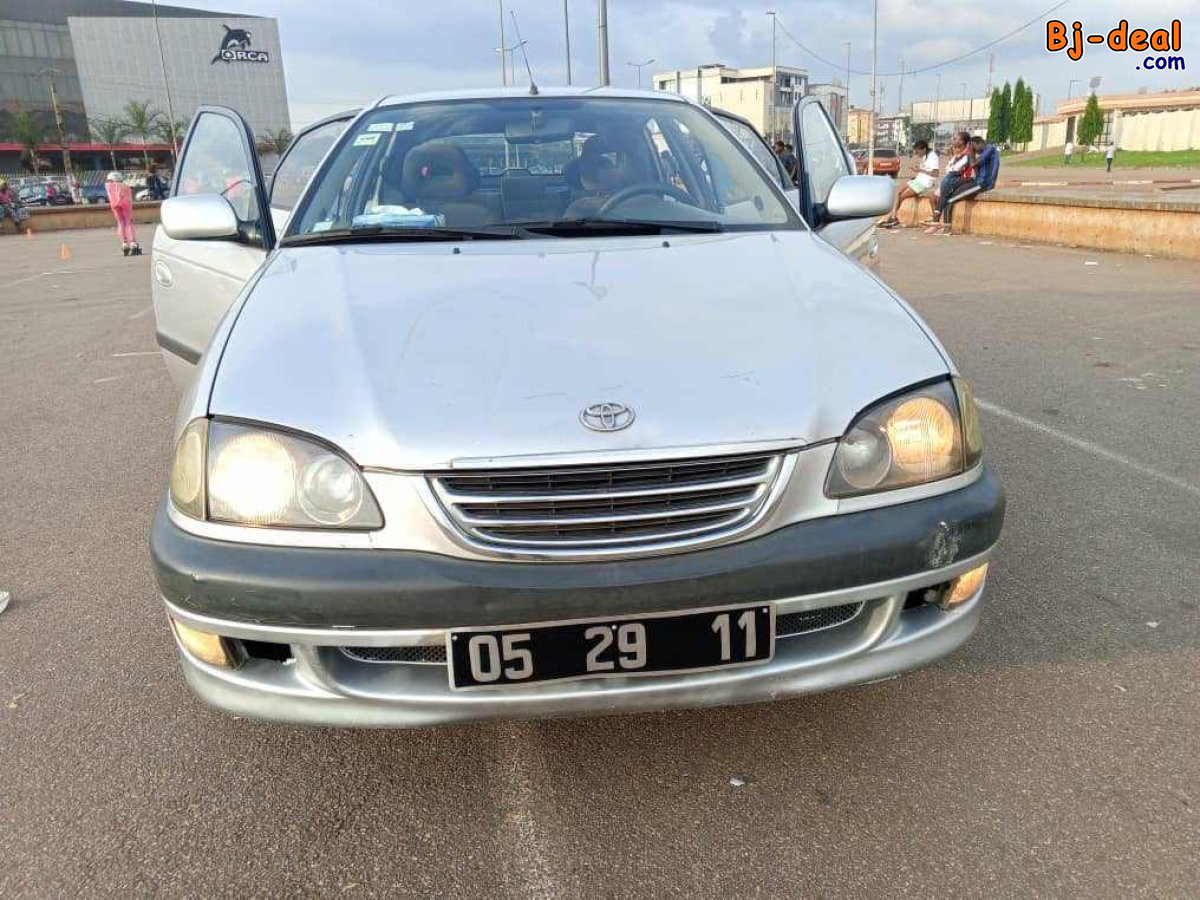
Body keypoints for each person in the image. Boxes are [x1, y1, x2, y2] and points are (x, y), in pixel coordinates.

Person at [930, 135, 999, 232]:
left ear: (980, 143)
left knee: (950, 200)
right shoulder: (982, 153)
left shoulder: (990, 149)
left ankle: (947, 229)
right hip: (977, 182)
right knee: (949, 196)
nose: (975, 150)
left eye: (974, 147)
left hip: (982, 184)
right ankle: (943, 226)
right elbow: (975, 168)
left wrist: (971, 152)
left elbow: (973, 164)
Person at [879, 140, 939, 228]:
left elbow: (935, 173)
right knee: (898, 192)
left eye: (918, 151)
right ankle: (893, 216)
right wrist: (917, 172)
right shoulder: (925, 156)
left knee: (901, 195)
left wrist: (920, 170)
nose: (917, 153)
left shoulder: (933, 157)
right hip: (918, 180)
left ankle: (893, 217)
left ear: (924, 149)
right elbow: (924, 171)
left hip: (923, 184)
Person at [924, 132, 972, 231]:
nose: (955, 141)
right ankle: (935, 219)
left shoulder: (967, 155)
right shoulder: (956, 155)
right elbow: (948, 168)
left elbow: (956, 169)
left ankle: (936, 223)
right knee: (933, 198)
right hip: (948, 179)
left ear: (964, 142)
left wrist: (952, 166)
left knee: (944, 198)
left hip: (959, 180)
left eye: (958, 139)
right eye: (955, 139)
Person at [105, 171, 140, 256]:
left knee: (120, 223)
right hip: (125, 205)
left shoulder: (108, 186)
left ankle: (124, 243)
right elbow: (129, 199)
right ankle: (133, 243)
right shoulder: (125, 186)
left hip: (115, 206)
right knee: (128, 222)